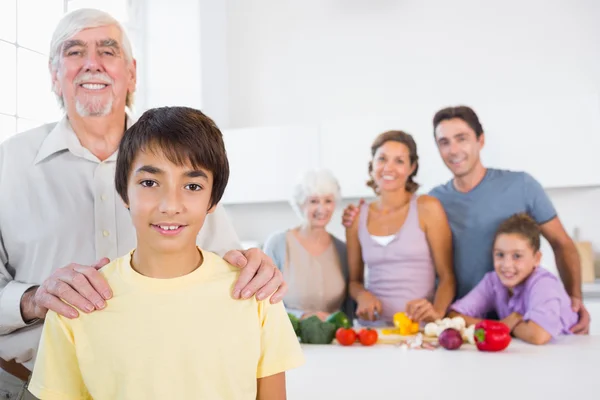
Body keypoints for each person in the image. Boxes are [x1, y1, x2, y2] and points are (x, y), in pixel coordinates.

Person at [0, 9, 285, 396]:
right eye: (74, 52)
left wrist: (256, 269)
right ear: (54, 74)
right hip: (19, 382)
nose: (92, 64)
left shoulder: (182, 163)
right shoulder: (8, 165)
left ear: (131, 72)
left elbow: (230, 273)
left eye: (107, 50)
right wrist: (33, 300)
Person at [27, 106, 304, 399]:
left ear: (213, 200)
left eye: (192, 185)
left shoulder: (256, 295)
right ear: (124, 192)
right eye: (149, 183)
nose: (170, 205)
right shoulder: (78, 303)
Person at [342, 106, 590, 334]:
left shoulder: (521, 185)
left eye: (462, 139)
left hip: (519, 318)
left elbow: (562, 244)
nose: (453, 150)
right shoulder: (435, 200)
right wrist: (356, 215)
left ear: (480, 140)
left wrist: (573, 299)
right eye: (444, 142)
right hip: (463, 320)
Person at [346, 130, 455, 326]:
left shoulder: (427, 208)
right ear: (372, 165)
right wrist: (362, 295)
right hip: (372, 332)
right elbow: (354, 281)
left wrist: (437, 313)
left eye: (399, 161)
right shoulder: (357, 217)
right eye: (382, 159)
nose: (389, 168)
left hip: (417, 330)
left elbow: (447, 276)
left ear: (412, 167)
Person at [449, 213, 578, 345]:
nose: (506, 265)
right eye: (500, 254)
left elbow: (538, 335)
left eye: (517, 256)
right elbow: (454, 317)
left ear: (536, 259)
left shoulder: (544, 284)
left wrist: (504, 327)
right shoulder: (493, 281)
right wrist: (502, 324)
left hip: (566, 354)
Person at [263, 169, 355, 321]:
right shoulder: (278, 244)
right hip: (288, 337)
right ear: (300, 204)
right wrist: (303, 317)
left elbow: (349, 311)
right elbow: (263, 302)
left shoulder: (343, 250)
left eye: (328, 201)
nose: (322, 209)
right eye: (313, 201)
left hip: (334, 341)